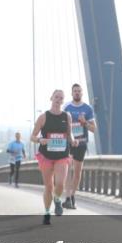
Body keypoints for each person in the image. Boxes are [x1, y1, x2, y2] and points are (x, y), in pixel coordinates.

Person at [30, 90, 78, 225]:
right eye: (56, 97)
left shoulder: (67, 116)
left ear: (63, 101)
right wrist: (40, 140)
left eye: (61, 98)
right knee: (49, 187)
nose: (58, 99)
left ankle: (57, 199)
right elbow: (32, 137)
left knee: (60, 184)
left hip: (62, 155)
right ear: (51, 98)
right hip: (46, 156)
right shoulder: (43, 117)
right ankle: (46, 212)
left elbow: (70, 134)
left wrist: (73, 141)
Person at [64, 83, 96, 209]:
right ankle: (67, 198)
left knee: (77, 173)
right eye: (75, 91)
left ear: (82, 93)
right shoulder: (66, 107)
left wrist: (85, 123)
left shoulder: (88, 109)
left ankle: (72, 195)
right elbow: (62, 125)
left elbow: (94, 129)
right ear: (72, 93)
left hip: (82, 143)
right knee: (68, 171)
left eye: (79, 91)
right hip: (69, 143)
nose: (77, 93)